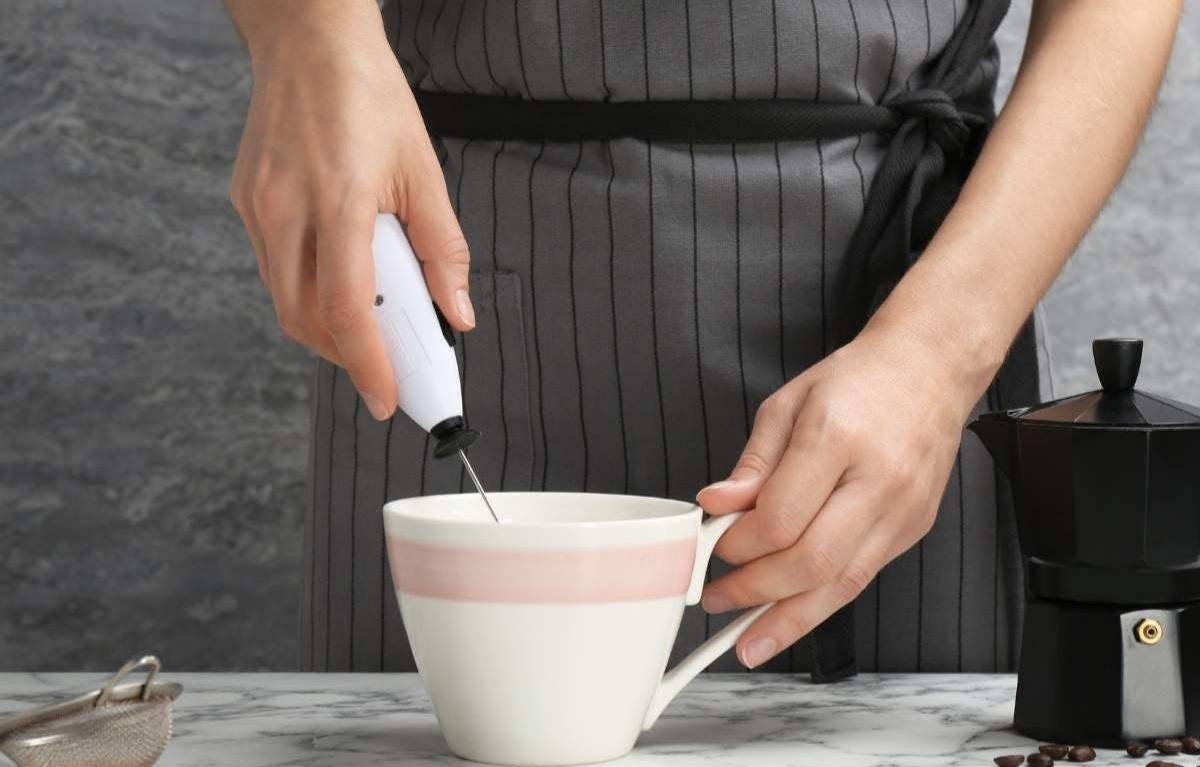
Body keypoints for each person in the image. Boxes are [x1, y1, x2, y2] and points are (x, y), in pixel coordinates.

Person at [225, 0, 1180, 677]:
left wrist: (936, 357)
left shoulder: (923, 358)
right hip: (452, 272)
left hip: (897, 335)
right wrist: (310, 35)